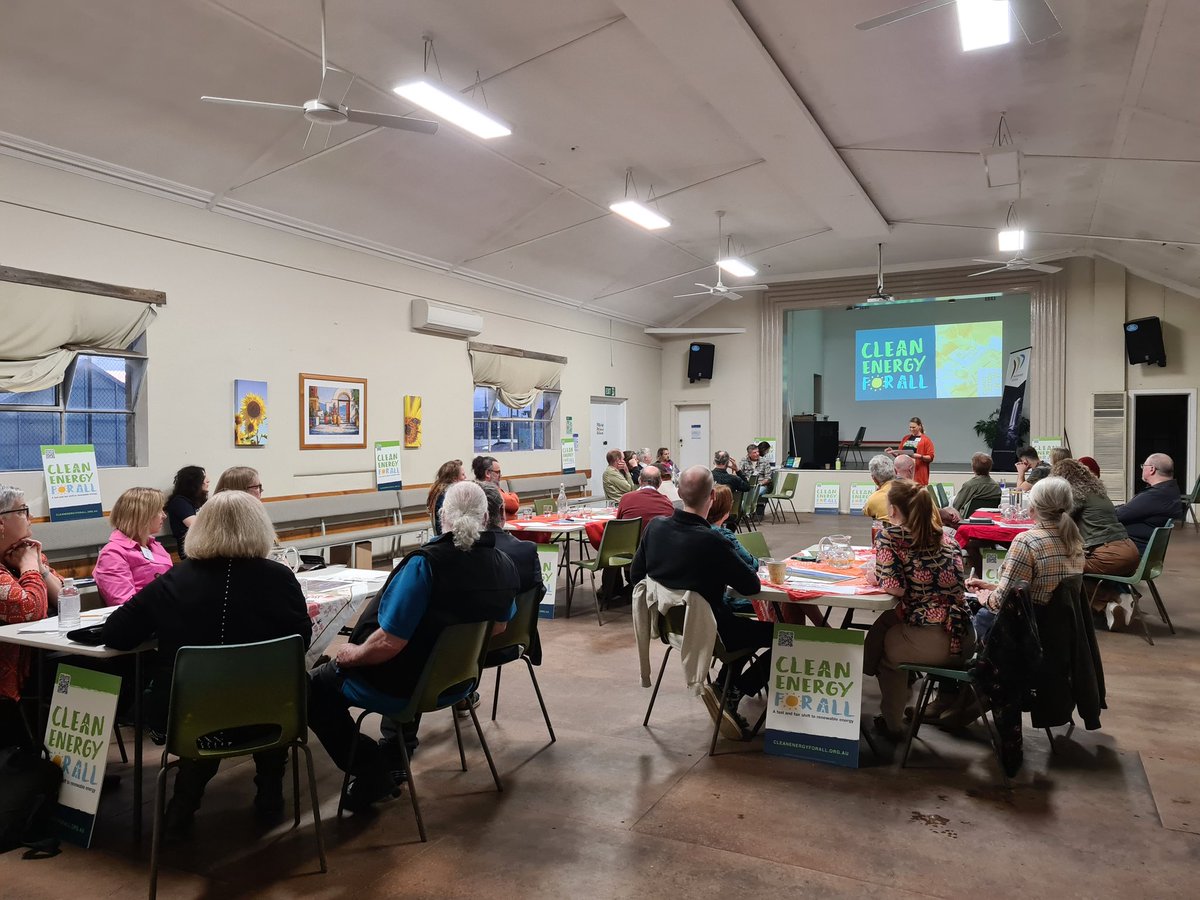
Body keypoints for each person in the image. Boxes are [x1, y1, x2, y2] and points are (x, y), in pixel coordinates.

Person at [101, 491, 312, 835]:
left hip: (188, 716)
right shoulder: (279, 577)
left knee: (208, 708)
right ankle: (270, 795)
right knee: (263, 695)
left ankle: (181, 809)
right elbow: (300, 640)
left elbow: (117, 633)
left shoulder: (174, 580)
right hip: (273, 713)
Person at [307, 482, 519, 811]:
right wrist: (446, 649)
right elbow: (500, 626)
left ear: (441, 516)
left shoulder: (426, 564)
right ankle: (394, 756)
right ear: (488, 516)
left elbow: (389, 642)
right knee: (413, 654)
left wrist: (353, 654)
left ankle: (372, 769)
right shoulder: (504, 564)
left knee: (315, 689)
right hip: (455, 681)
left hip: (404, 683)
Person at [630, 466, 765, 740]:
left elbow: (636, 576)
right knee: (787, 636)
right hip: (712, 632)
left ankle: (723, 687)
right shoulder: (713, 540)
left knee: (739, 628)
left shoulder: (655, 528)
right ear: (712, 496)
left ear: (678, 493)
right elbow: (752, 586)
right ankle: (735, 689)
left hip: (671, 627)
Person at [863, 479, 973, 740]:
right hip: (964, 634)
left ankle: (892, 725)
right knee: (887, 622)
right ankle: (865, 668)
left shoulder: (890, 536)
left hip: (933, 641)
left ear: (892, 511)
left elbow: (895, 588)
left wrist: (875, 575)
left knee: (888, 651)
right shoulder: (947, 537)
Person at [966, 476, 1085, 646]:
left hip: (1026, 634)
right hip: (1059, 632)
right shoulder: (1075, 541)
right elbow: (1043, 591)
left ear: (1032, 508)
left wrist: (986, 597)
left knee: (977, 615)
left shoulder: (1027, 541)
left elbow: (1000, 603)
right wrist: (993, 587)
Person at [0, 485, 62, 749]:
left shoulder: (27, 551)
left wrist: (37, 567)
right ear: (2, 521)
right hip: (12, 670)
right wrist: (28, 567)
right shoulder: (21, 559)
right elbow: (30, 610)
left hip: (35, 658)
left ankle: (66, 768)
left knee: (90, 668)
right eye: (23, 511)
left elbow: (65, 597)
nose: (31, 517)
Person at [1051, 458, 1139, 628]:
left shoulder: (1077, 495)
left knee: (1059, 570)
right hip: (1130, 551)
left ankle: (1112, 600)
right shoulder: (1098, 493)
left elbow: (1058, 521)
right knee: (1075, 567)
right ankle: (1117, 602)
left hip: (1109, 554)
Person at [92, 487, 173, 606]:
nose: (164, 516)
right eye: (159, 511)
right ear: (143, 515)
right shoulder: (113, 554)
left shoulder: (154, 545)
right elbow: (124, 604)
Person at [1117, 453, 1182, 552]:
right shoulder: (1169, 490)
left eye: (1144, 466)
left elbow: (1119, 515)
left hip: (1132, 549)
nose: (1142, 469)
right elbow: (1129, 509)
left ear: (1152, 469)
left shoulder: (1155, 495)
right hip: (1141, 546)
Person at [941, 453, 1002, 525]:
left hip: (967, 521)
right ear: (990, 468)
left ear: (973, 468)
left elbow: (957, 505)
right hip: (989, 521)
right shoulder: (996, 486)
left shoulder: (969, 485)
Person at [617, 465, 676, 532]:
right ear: (660, 483)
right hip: (655, 541)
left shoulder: (626, 498)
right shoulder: (667, 503)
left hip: (629, 541)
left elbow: (618, 523)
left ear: (639, 480)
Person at [166, 465, 208, 558]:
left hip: (202, 545)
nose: (207, 481)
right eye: (204, 478)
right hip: (191, 550)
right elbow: (195, 525)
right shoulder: (180, 501)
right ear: (194, 482)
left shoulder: (198, 500)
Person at [886, 417, 935, 485]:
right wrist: (893, 452)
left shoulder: (926, 440)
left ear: (919, 426)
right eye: (910, 427)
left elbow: (930, 457)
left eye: (914, 427)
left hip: (917, 473)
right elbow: (900, 455)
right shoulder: (906, 438)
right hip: (904, 474)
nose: (911, 429)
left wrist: (919, 456)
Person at [711, 450, 752, 528]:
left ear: (714, 462)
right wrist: (737, 470)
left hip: (709, 513)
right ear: (727, 463)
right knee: (739, 510)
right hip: (728, 513)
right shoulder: (734, 479)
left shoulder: (707, 476)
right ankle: (729, 532)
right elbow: (747, 487)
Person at [426, 459, 466, 535]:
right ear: (454, 479)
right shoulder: (446, 497)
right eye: (463, 475)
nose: (465, 477)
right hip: (448, 540)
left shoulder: (440, 492)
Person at [862, 454, 896, 519]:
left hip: (886, 528)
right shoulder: (910, 489)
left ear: (874, 479)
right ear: (894, 470)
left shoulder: (873, 499)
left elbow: (866, 511)